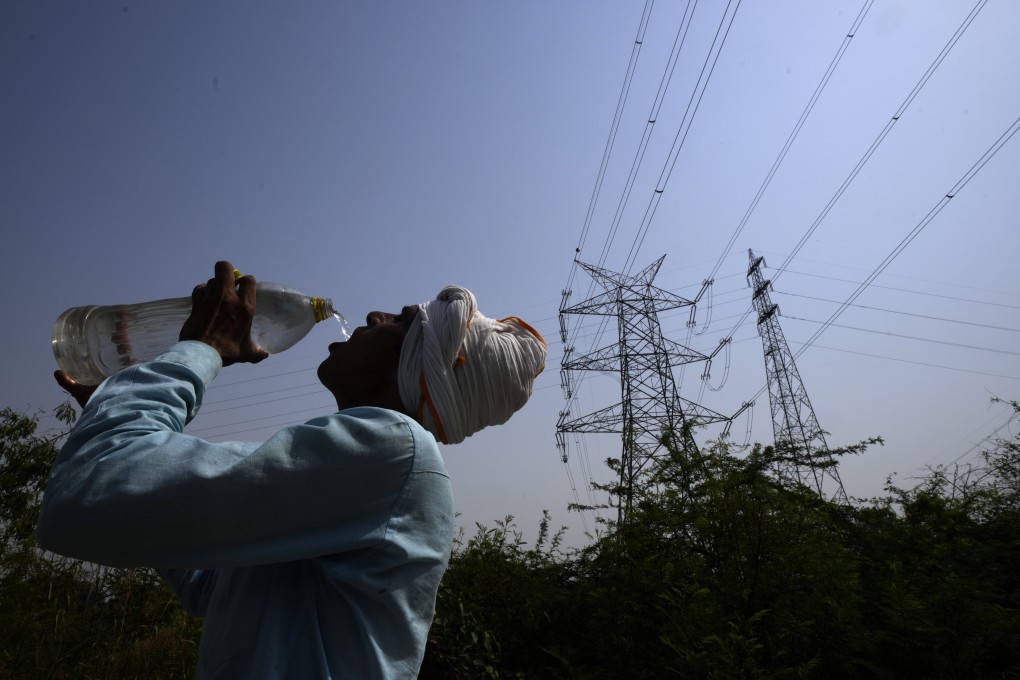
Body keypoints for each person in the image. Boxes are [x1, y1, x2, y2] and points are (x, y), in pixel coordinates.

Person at [36, 261, 546, 679]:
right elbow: (215, 586)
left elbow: (85, 496)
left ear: (414, 362)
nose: (371, 314)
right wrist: (120, 416)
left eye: (398, 319)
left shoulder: (395, 450)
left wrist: (202, 347)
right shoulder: (361, 476)